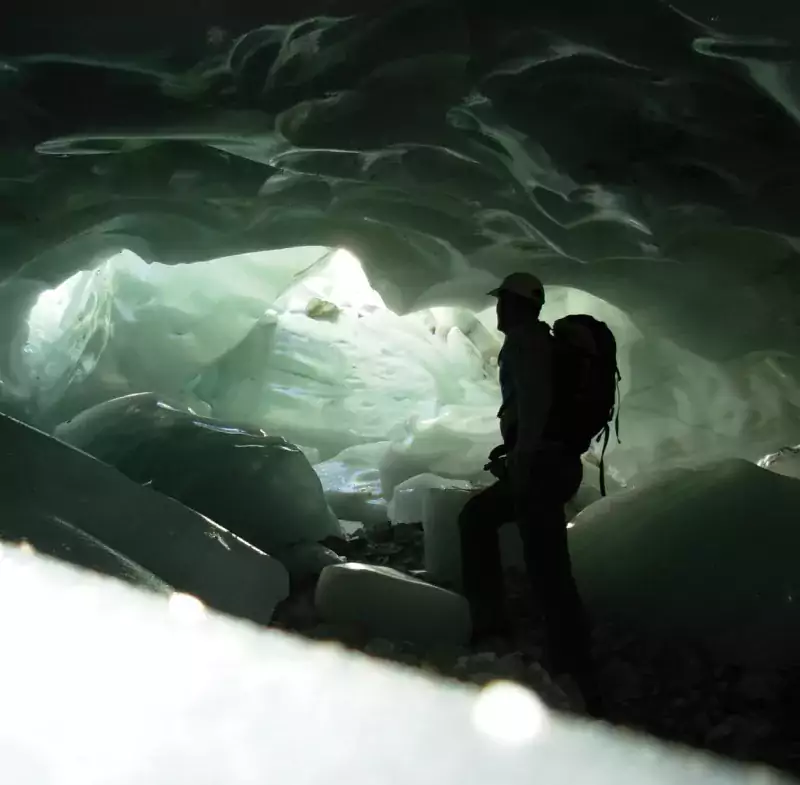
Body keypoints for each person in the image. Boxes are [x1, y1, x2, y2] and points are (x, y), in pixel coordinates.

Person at [458, 271, 601, 713]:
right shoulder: (540, 341)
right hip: (556, 463)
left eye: (504, 301)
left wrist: (522, 458)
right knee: (495, 528)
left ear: (519, 306)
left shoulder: (526, 343)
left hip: (541, 466)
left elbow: (536, 402)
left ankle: (570, 661)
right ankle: (537, 638)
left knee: (544, 562)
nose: (499, 308)